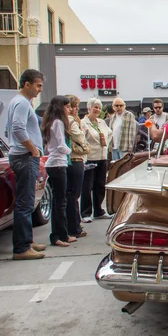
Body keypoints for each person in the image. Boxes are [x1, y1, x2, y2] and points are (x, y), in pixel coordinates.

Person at [5, 69, 47, 260]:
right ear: (27, 84)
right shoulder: (22, 103)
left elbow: (10, 129)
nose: (39, 90)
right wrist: (33, 149)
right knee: (25, 202)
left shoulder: (19, 102)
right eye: (38, 85)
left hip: (22, 155)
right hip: (24, 157)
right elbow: (17, 128)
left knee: (27, 201)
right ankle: (21, 248)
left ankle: (27, 241)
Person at [40, 95, 77, 248]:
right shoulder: (59, 123)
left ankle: (61, 234)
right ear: (61, 107)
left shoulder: (50, 122)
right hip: (58, 163)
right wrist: (72, 151)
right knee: (60, 202)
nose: (70, 109)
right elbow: (61, 145)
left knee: (58, 201)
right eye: (68, 107)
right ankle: (59, 235)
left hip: (53, 163)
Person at [81, 98, 113, 223]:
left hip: (102, 156)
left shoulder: (101, 122)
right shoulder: (83, 123)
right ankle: (85, 212)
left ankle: (98, 210)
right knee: (87, 186)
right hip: (90, 157)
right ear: (89, 108)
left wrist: (104, 144)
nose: (97, 110)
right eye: (95, 107)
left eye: (99, 108)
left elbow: (109, 134)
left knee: (100, 184)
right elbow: (81, 138)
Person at [64, 95, 89, 238]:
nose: (77, 109)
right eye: (75, 106)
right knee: (74, 195)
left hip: (70, 160)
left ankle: (72, 224)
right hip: (75, 159)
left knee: (69, 195)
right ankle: (74, 227)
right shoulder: (71, 122)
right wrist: (87, 147)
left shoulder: (62, 121)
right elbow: (80, 138)